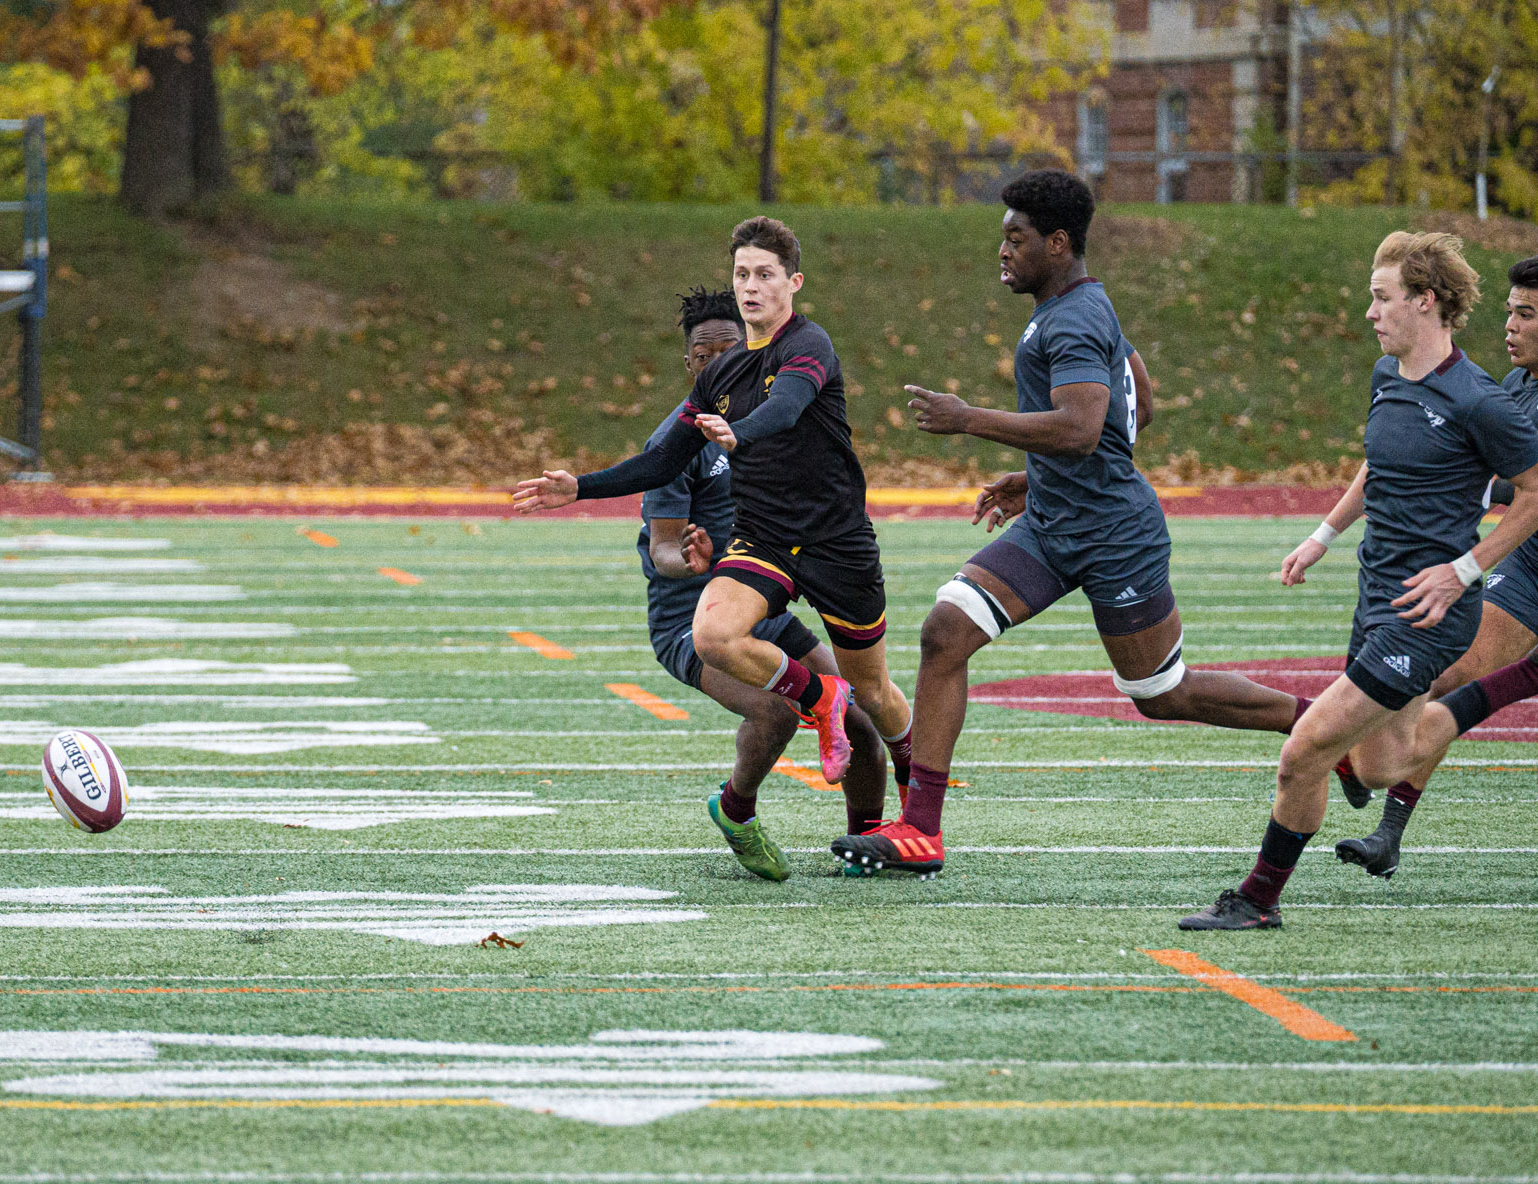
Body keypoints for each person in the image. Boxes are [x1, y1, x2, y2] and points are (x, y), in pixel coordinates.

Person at [840, 169, 1348, 880]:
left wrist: (969, 420)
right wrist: (1040, 475)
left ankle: (1323, 726)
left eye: (1016, 237)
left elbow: (1081, 425)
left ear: (1057, 242)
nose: (1003, 249)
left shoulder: (1073, 315)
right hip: (1054, 523)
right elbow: (1139, 392)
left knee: (1162, 695)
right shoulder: (1076, 303)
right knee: (944, 632)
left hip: (1114, 535)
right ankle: (921, 829)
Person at [1180, 231, 1538, 930]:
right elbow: (1379, 465)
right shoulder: (1387, 378)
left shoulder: (1480, 401)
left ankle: (1257, 899)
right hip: (1376, 593)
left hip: (1429, 613)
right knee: (1376, 766)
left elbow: (1532, 495)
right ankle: (1509, 686)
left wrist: (1464, 572)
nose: (1369, 312)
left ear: (1425, 302)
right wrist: (1321, 537)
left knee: (1303, 753)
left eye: (1381, 298)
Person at [514, 216, 916, 831]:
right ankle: (814, 710)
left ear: (793, 283)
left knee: (876, 698)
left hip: (837, 542)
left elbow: (785, 410)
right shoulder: (718, 379)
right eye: (742, 274)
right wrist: (581, 488)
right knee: (715, 637)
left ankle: (912, 804)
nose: (751, 285)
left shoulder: (808, 346)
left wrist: (740, 432)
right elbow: (663, 460)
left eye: (764, 275)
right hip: (767, 544)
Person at [636, 286, 887, 879]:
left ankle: (869, 840)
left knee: (857, 712)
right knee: (774, 713)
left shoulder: (778, 421)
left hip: (764, 603)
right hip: (691, 623)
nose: (720, 366)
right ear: (691, 364)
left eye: (733, 353)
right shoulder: (676, 440)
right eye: (706, 356)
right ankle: (736, 810)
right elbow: (665, 548)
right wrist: (693, 562)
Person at [1328, 256, 1538, 878]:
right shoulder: (1515, 385)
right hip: (1528, 563)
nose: (1510, 325)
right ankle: (1388, 829)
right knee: (1451, 673)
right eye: (1509, 311)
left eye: (1526, 314)